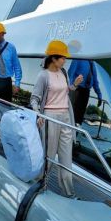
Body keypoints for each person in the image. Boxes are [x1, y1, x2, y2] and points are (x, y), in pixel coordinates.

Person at [30, 41, 81, 198]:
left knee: (66, 156)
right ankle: (39, 185)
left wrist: (74, 85)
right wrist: (38, 113)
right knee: (49, 154)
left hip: (65, 116)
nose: (65, 60)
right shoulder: (43, 75)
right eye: (63, 58)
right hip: (50, 118)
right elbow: (34, 98)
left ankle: (69, 193)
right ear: (53, 58)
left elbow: (65, 91)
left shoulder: (64, 72)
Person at [67, 59, 102, 126]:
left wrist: (99, 94)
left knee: (79, 118)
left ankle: (76, 132)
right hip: (76, 90)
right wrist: (70, 90)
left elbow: (95, 81)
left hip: (86, 92)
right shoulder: (78, 59)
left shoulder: (92, 63)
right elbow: (70, 74)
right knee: (72, 116)